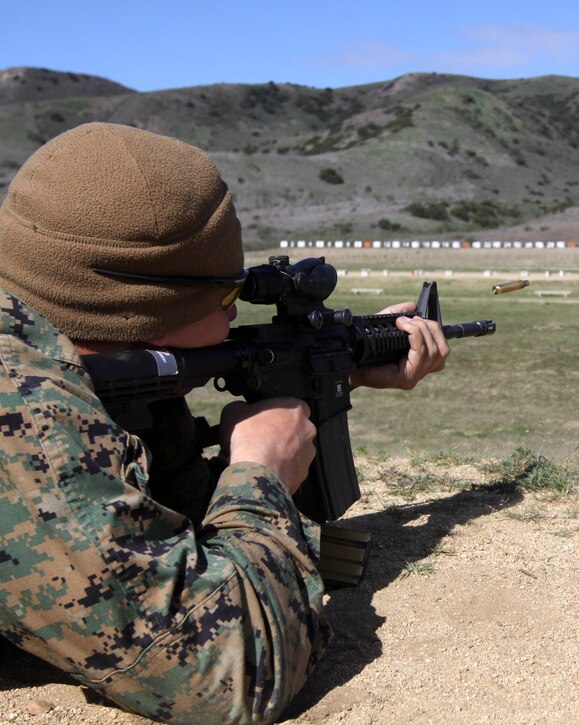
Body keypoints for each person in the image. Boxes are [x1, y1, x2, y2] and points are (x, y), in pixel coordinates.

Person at [0, 122, 448, 723]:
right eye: (222, 299)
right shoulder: (30, 421)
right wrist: (261, 472)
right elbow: (228, 675)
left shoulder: (52, 345)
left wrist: (331, 373)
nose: (236, 311)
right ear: (149, 316)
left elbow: (153, 512)